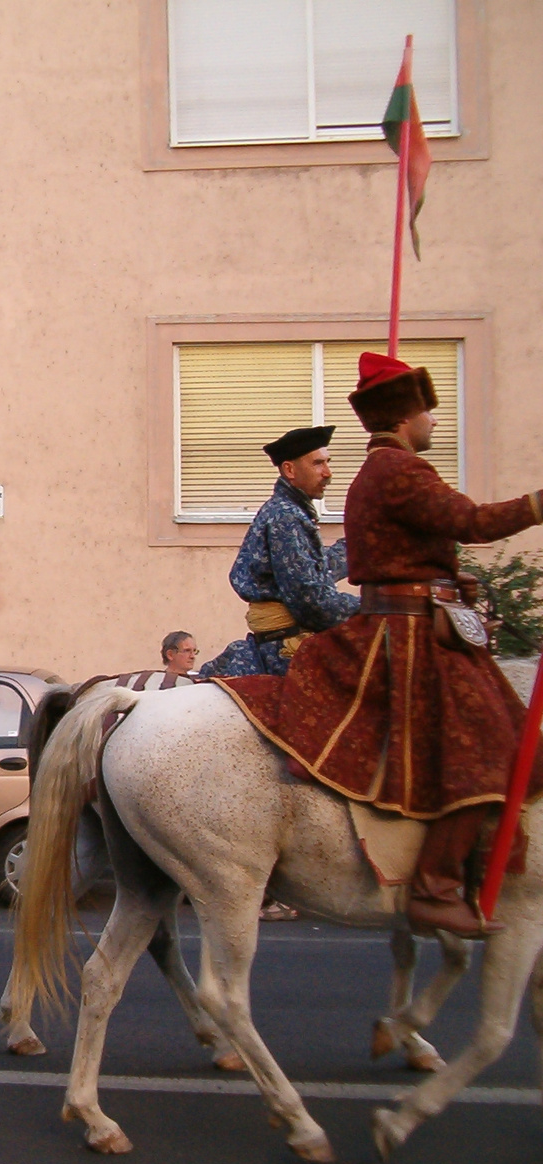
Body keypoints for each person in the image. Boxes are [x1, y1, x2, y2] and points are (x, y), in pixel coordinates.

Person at [215, 353, 543, 937]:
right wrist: (536, 505)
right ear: (403, 417)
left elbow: (378, 556)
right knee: (483, 746)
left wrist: (444, 579)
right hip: (389, 632)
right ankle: (437, 884)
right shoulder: (392, 474)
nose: (436, 423)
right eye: (427, 412)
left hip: (411, 616)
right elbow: (466, 521)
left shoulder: (369, 482)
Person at [199, 426, 359, 679]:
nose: (328, 473)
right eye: (318, 464)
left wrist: (360, 544)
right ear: (290, 470)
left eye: (328, 462)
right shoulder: (286, 517)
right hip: (286, 651)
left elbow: (312, 571)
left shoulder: (289, 512)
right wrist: (372, 608)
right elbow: (311, 601)